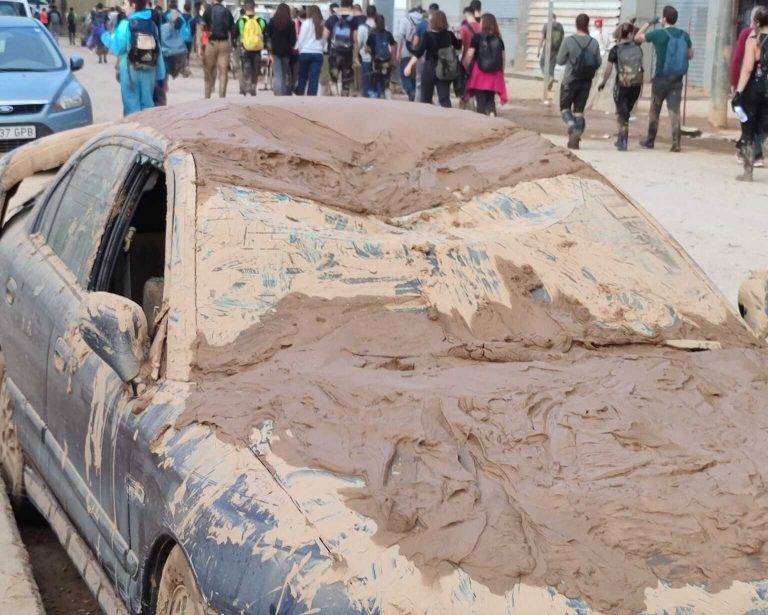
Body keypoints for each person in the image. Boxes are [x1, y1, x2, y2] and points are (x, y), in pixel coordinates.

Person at [635, 5, 693, 152]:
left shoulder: (659, 34)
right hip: (677, 79)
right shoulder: (684, 35)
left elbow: (637, 37)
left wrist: (650, 22)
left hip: (660, 79)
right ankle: (676, 143)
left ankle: (650, 140)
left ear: (664, 18)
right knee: (674, 111)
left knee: (655, 110)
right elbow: (690, 55)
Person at [101, 0, 166, 115]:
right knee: (148, 106)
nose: (123, 7)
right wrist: (161, 75)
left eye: (125, 4)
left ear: (133, 5)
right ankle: (147, 125)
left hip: (129, 70)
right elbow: (158, 50)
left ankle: (134, 126)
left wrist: (104, 36)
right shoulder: (152, 24)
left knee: (131, 108)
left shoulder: (125, 24)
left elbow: (118, 48)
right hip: (149, 70)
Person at [732, 6, 768, 182]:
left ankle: (748, 172)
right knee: (764, 129)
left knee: (748, 130)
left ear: (757, 22)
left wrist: (738, 92)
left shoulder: (753, 40)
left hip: (754, 90)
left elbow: (746, 69)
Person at [556, 13, 601, 149]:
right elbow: (598, 62)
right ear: (587, 24)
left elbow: (560, 60)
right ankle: (575, 138)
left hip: (570, 80)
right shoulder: (594, 43)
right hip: (586, 81)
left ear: (576, 24)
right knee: (579, 111)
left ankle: (572, 126)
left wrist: (571, 59)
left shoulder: (568, 41)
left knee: (565, 108)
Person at [597, 22, 644, 151]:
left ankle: (623, 139)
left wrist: (603, 82)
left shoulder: (615, 50)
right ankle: (621, 138)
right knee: (626, 112)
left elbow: (608, 70)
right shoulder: (638, 49)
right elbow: (641, 67)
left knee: (621, 113)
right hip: (636, 86)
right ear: (630, 35)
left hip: (621, 86)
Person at [405, 9, 461, 107]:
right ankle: (448, 116)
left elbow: (419, 52)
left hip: (429, 68)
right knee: (444, 99)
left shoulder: (427, 36)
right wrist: (458, 36)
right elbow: (458, 47)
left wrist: (409, 65)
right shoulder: (449, 35)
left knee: (425, 99)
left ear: (433, 22)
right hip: (444, 69)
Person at [464, 12, 507, 115]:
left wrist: (464, 66)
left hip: (479, 73)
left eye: (481, 21)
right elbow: (503, 58)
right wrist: (502, 72)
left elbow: (470, 54)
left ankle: (482, 119)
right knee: (490, 99)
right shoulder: (499, 39)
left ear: (484, 23)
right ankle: (492, 114)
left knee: (480, 101)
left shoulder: (477, 37)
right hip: (494, 74)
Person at [202, 0, 235, 98]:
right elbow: (232, 30)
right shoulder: (227, 12)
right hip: (224, 43)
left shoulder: (208, 11)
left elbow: (203, 28)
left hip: (211, 43)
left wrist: (201, 45)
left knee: (208, 70)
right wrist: (232, 44)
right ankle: (222, 96)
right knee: (223, 71)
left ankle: (207, 95)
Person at [324, 0, 356, 96]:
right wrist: (356, 56)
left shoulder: (332, 18)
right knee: (346, 79)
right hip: (348, 54)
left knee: (333, 78)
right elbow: (355, 40)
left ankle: (335, 97)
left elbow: (325, 36)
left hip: (334, 53)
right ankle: (344, 97)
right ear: (351, 6)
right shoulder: (353, 20)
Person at [235, 1, 266, 95]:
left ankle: (247, 85)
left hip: (245, 48)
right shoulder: (260, 20)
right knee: (255, 69)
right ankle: (253, 87)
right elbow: (265, 33)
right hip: (257, 49)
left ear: (245, 8)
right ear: (254, 7)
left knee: (246, 68)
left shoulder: (241, 21)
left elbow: (235, 34)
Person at [266, 3, 297, 95]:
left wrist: (269, 49)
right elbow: (293, 40)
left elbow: (268, 35)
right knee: (284, 73)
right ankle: (282, 92)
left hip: (275, 51)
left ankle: (278, 93)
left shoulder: (272, 21)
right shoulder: (291, 23)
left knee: (277, 73)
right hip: (286, 52)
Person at [295, 4, 325, 95]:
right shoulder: (322, 24)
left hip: (305, 52)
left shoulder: (306, 23)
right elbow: (323, 40)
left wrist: (300, 50)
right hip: (318, 52)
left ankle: (300, 93)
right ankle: (311, 96)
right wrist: (321, 49)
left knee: (302, 76)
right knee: (314, 77)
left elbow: (301, 38)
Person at [396, 6, 423, 101]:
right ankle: (416, 94)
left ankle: (411, 91)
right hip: (420, 52)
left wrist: (398, 52)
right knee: (416, 75)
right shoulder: (423, 20)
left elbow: (400, 37)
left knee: (405, 74)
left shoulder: (405, 20)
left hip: (406, 51)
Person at [365, 13, 395, 98]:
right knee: (386, 79)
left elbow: (366, 48)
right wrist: (392, 59)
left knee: (376, 80)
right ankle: (387, 96)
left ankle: (379, 96)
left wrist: (372, 53)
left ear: (375, 23)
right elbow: (393, 46)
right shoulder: (388, 34)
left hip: (376, 61)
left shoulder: (372, 35)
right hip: (387, 61)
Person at [537, 12, 563, 91]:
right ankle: (551, 78)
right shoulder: (560, 26)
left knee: (542, 63)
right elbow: (562, 39)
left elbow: (542, 38)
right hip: (557, 50)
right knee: (551, 67)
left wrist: (538, 49)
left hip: (547, 49)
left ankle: (548, 77)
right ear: (555, 18)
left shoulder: (546, 25)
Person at [161, 8, 190, 78]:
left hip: (167, 54)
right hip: (179, 53)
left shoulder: (164, 27)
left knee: (164, 74)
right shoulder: (176, 29)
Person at [356, 5, 376, 97]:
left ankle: (367, 99)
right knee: (376, 81)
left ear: (366, 14)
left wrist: (356, 55)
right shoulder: (381, 25)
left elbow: (359, 44)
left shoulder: (362, 27)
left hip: (366, 58)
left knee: (367, 81)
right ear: (375, 14)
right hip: (378, 58)